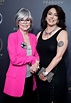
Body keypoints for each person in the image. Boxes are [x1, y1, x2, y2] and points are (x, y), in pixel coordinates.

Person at [3, 8, 39, 103]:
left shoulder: (33, 37)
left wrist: (36, 64)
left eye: (27, 20)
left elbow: (36, 55)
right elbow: (14, 59)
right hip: (16, 80)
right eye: (21, 20)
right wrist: (31, 58)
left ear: (30, 22)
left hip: (31, 78)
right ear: (17, 22)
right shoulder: (12, 37)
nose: (25, 22)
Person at [36, 5, 68, 103]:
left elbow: (59, 56)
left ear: (58, 19)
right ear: (45, 16)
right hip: (40, 74)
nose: (52, 17)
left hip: (55, 74)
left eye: (55, 15)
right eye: (50, 14)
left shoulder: (62, 33)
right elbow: (36, 54)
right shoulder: (39, 34)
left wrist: (45, 72)